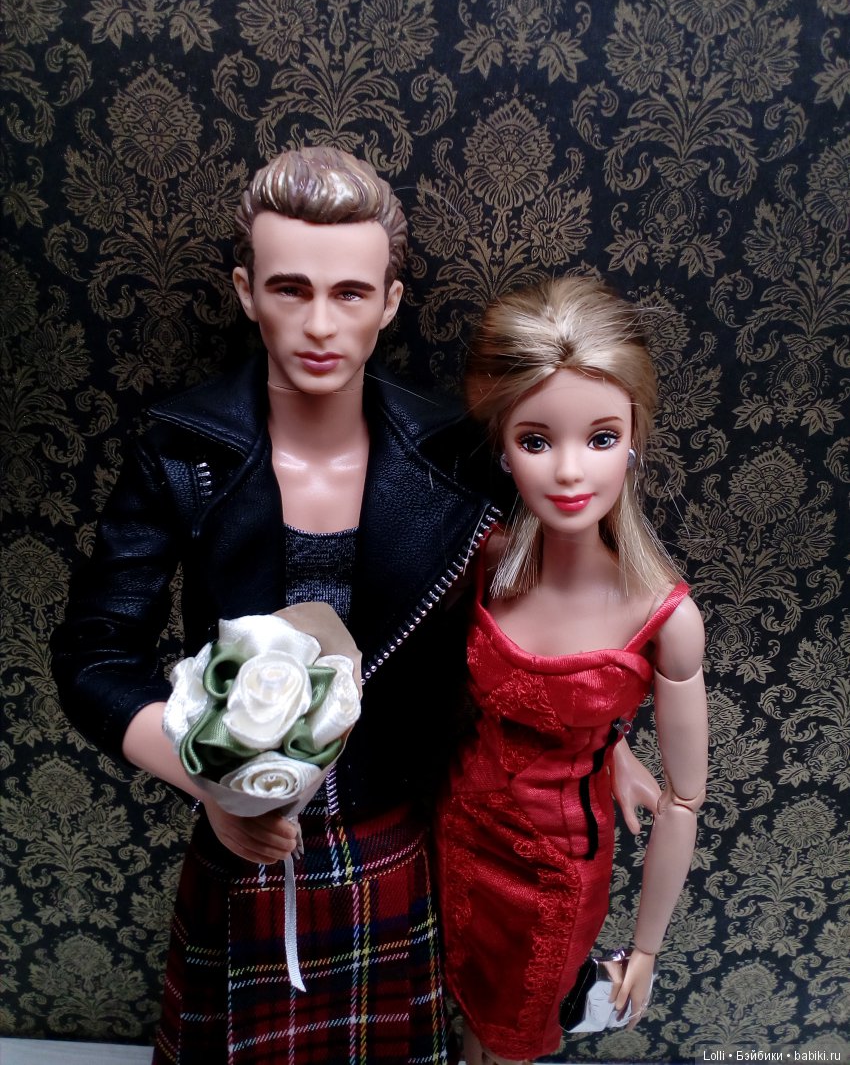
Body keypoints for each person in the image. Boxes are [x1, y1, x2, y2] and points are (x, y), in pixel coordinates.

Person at [51, 145, 503, 1064]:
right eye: (290, 289)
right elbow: (94, 656)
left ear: (390, 303)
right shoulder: (183, 453)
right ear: (246, 292)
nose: (319, 324)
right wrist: (212, 784)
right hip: (244, 848)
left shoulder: (453, 459)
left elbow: (519, 626)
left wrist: (603, 742)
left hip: (393, 834)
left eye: (350, 293)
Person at [434, 276, 709, 1065]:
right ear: (502, 445)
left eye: (599, 438)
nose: (567, 472)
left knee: (515, 1032)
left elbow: (684, 800)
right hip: (455, 835)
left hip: (555, 872)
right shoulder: (480, 562)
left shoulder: (663, 616)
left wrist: (645, 949)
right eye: (535, 440)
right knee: (464, 1013)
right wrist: (610, 742)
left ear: (634, 439)